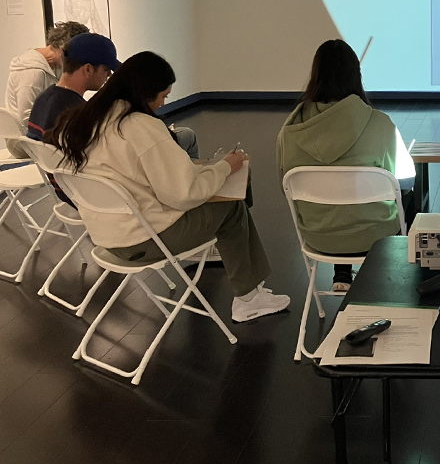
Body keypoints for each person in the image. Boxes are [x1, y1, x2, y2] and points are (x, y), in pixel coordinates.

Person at [48, 51, 289, 322]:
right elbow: (185, 194)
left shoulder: (90, 118)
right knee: (233, 208)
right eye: (163, 96)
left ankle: (247, 286)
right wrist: (224, 166)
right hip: (144, 239)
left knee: (220, 202)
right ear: (144, 93)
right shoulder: (142, 126)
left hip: (105, 236)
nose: (163, 104)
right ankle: (249, 298)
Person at [276, 39, 412, 294]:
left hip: (318, 237)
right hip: (376, 237)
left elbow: (284, 185)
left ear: (315, 76)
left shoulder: (289, 131)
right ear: (356, 76)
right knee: (410, 198)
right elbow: (404, 184)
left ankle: (342, 272)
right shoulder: (381, 125)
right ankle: (407, 280)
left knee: (335, 203)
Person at [26, 33, 118, 205]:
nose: (108, 76)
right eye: (106, 70)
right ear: (88, 69)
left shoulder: (43, 99)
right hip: (87, 196)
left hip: (63, 190)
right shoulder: (76, 112)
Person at [5, 21, 89, 158]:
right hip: (24, 141)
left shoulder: (53, 66)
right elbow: (28, 119)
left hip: (38, 133)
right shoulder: (33, 72)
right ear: (63, 50)